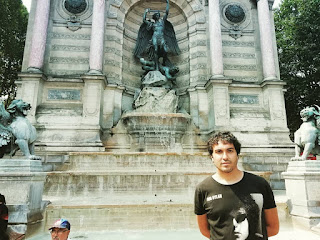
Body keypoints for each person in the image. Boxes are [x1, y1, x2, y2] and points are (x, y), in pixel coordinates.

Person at [194, 132, 279, 240]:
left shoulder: (260, 184)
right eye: (219, 152)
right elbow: (205, 230)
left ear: (237, 155)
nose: (225, 157)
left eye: (230, 151)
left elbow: (273, 227)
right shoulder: (203, 189)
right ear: (212, 157)